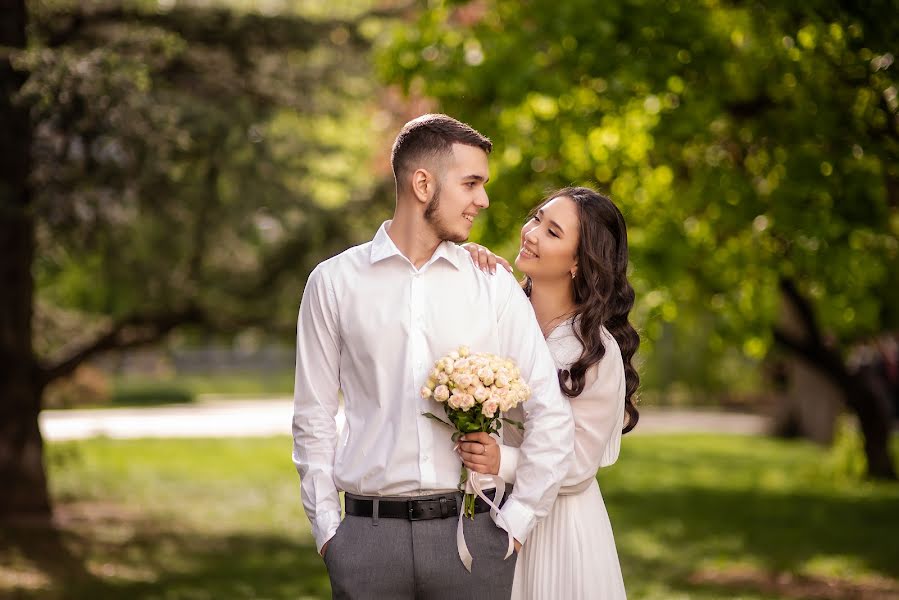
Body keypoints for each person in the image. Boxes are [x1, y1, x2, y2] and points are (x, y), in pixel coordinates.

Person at [292, 114, 575, 599]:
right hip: (366, 542)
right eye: (471, 183)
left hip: (474, 540)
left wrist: (515, 525)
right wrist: (330, 534)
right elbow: (313, 416)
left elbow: (550, 414)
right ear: (423, 183)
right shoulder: (334, 283)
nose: (482, 200)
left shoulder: (492, 284)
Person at [459, 186, 639, 599]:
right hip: (485, 514)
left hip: (559, 531)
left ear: (579, 261)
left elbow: (577, 466)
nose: (532, 233)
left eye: (553, 232)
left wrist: (500, 459)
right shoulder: (498, 314)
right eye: (537, 217)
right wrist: (464, 270)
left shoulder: (592, 352)